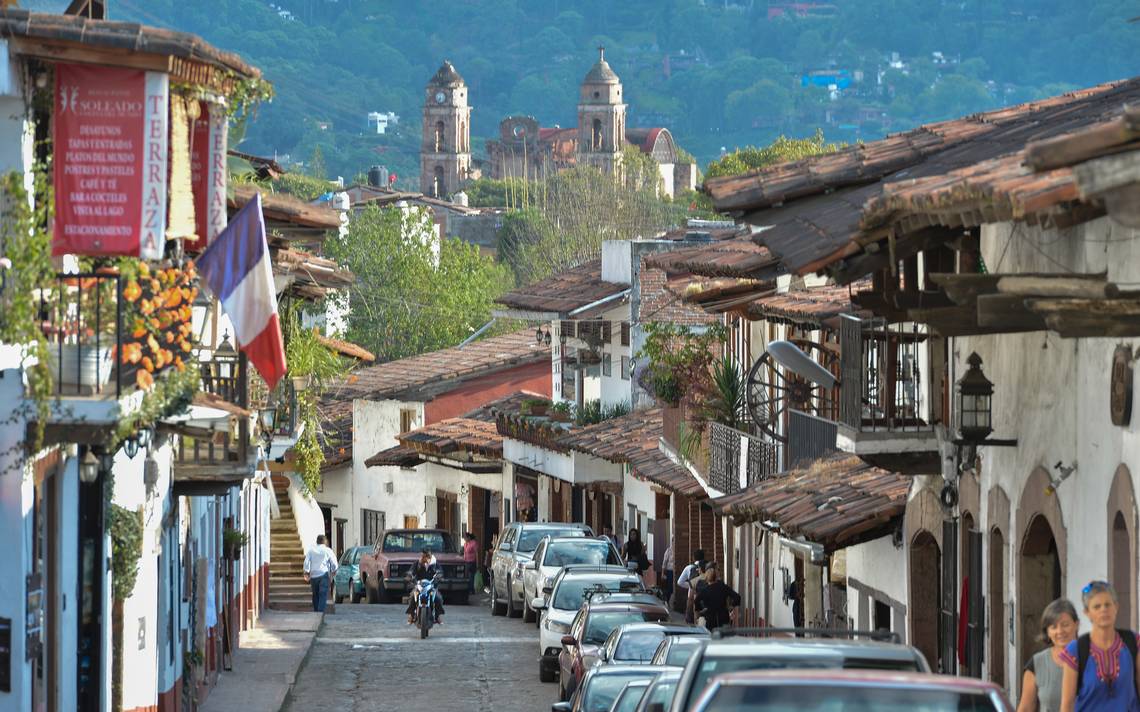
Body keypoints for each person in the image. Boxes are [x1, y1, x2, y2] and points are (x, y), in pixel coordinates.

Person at [1059, 580, 1140, 712]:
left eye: (1108, 605)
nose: (1104, 610)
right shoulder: (1076, 650)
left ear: (1116, 607)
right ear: (1087, 612)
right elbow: (1067, 705)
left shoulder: (1133, 642)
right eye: (1097, 607)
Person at [1019, 598, 1079, 712]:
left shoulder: (1093, 659)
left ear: (1076, 624)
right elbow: (1026, 708)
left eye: (1065, 624)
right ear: (1047, 632)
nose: (1060, 631)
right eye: (1053, 627)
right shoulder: (1037, 663)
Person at [695, 563, 740, 631]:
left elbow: (696, 601)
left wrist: (700, 610)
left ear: (707, 578)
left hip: (710, 618)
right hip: (723, 617)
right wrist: (732, 607)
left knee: (711, 637)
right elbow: (737, 597)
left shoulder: (705, 590)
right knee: (724, 638)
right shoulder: (723, 587)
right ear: (716, 577)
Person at [405, 548, 445, 625]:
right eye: (424, 555)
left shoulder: (435, 564)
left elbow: (440, 571)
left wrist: (439, 576)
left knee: (438, 598)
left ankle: (437, 616)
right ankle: (411, 615)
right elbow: (411, 571)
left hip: (431, 586)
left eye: (427, 555)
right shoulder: (417, 563)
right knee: (412, 597)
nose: (426, 558)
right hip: (419, 586)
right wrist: (410, 576)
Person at [303, 534, 338, 613]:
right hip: (323, 575)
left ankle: (316, 612)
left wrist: (307, 571)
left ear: (317, 542)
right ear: (324, 541)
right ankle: (320, 612)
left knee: (315, 595)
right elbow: (334, 562)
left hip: (313, 576)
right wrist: (334, 570)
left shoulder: (311, 550)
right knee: (323, 594)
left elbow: (306, 561)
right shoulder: (327, 550)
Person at [676, 549, 706, 623]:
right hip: (705, 595)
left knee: (690, 619)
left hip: (692, 596)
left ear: (693, 558)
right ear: (704, 557)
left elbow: (680, 582)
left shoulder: (689, 568)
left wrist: (690, 585)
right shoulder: (707, 567)